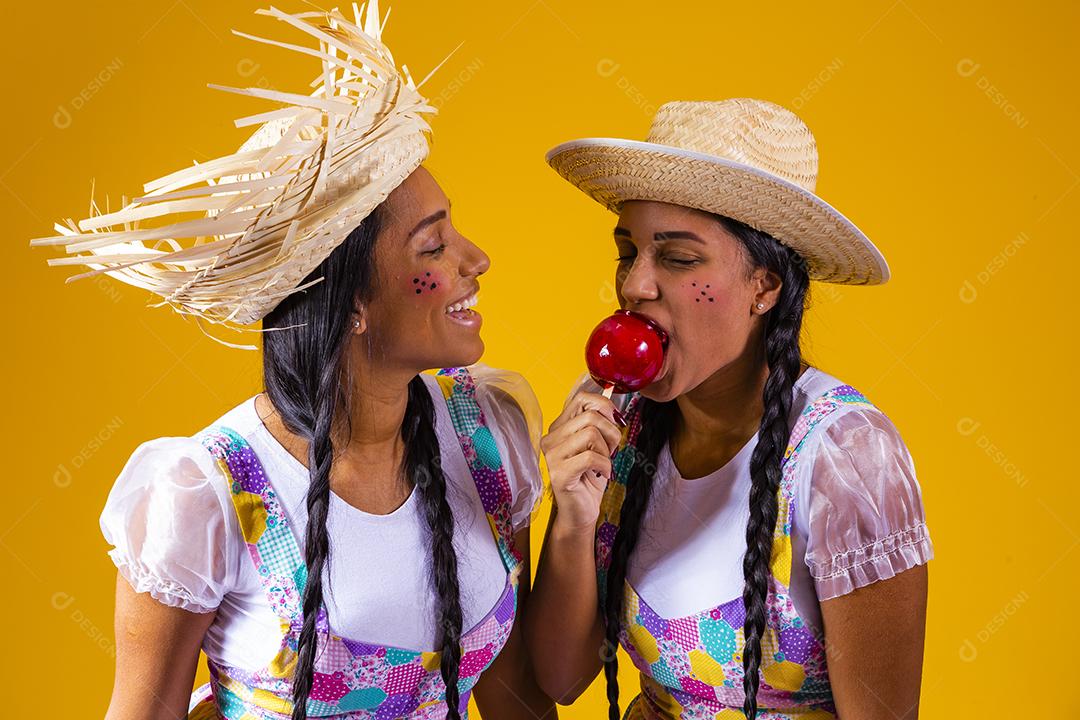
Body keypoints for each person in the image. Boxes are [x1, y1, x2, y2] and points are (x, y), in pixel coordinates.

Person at [31, 5, 552, 719]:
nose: (476, 260)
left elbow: (513, 695)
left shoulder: (486, 435)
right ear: (352, 307)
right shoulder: (205, 499)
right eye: (433, 248)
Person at [527, 98, 934, 719]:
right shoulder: (620, 424)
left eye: (679, 258)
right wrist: (573, 517)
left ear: (764, 286)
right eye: (627, 252)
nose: (635, 285)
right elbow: (560, 677)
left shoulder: (846, 456)